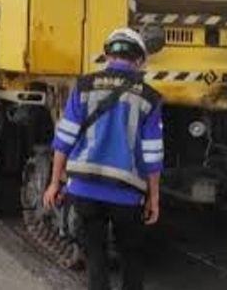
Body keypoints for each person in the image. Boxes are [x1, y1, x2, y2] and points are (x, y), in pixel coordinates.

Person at [43, 28, 163, 290]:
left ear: (107, 55)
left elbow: (64, 138)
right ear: (140, 60)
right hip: (127, 194)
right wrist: (154, 197)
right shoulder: (149, 97)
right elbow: (152, 153)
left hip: (85, 190)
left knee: (95, 257)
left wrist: (54, 182)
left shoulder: (84, 86)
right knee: (132, 256)